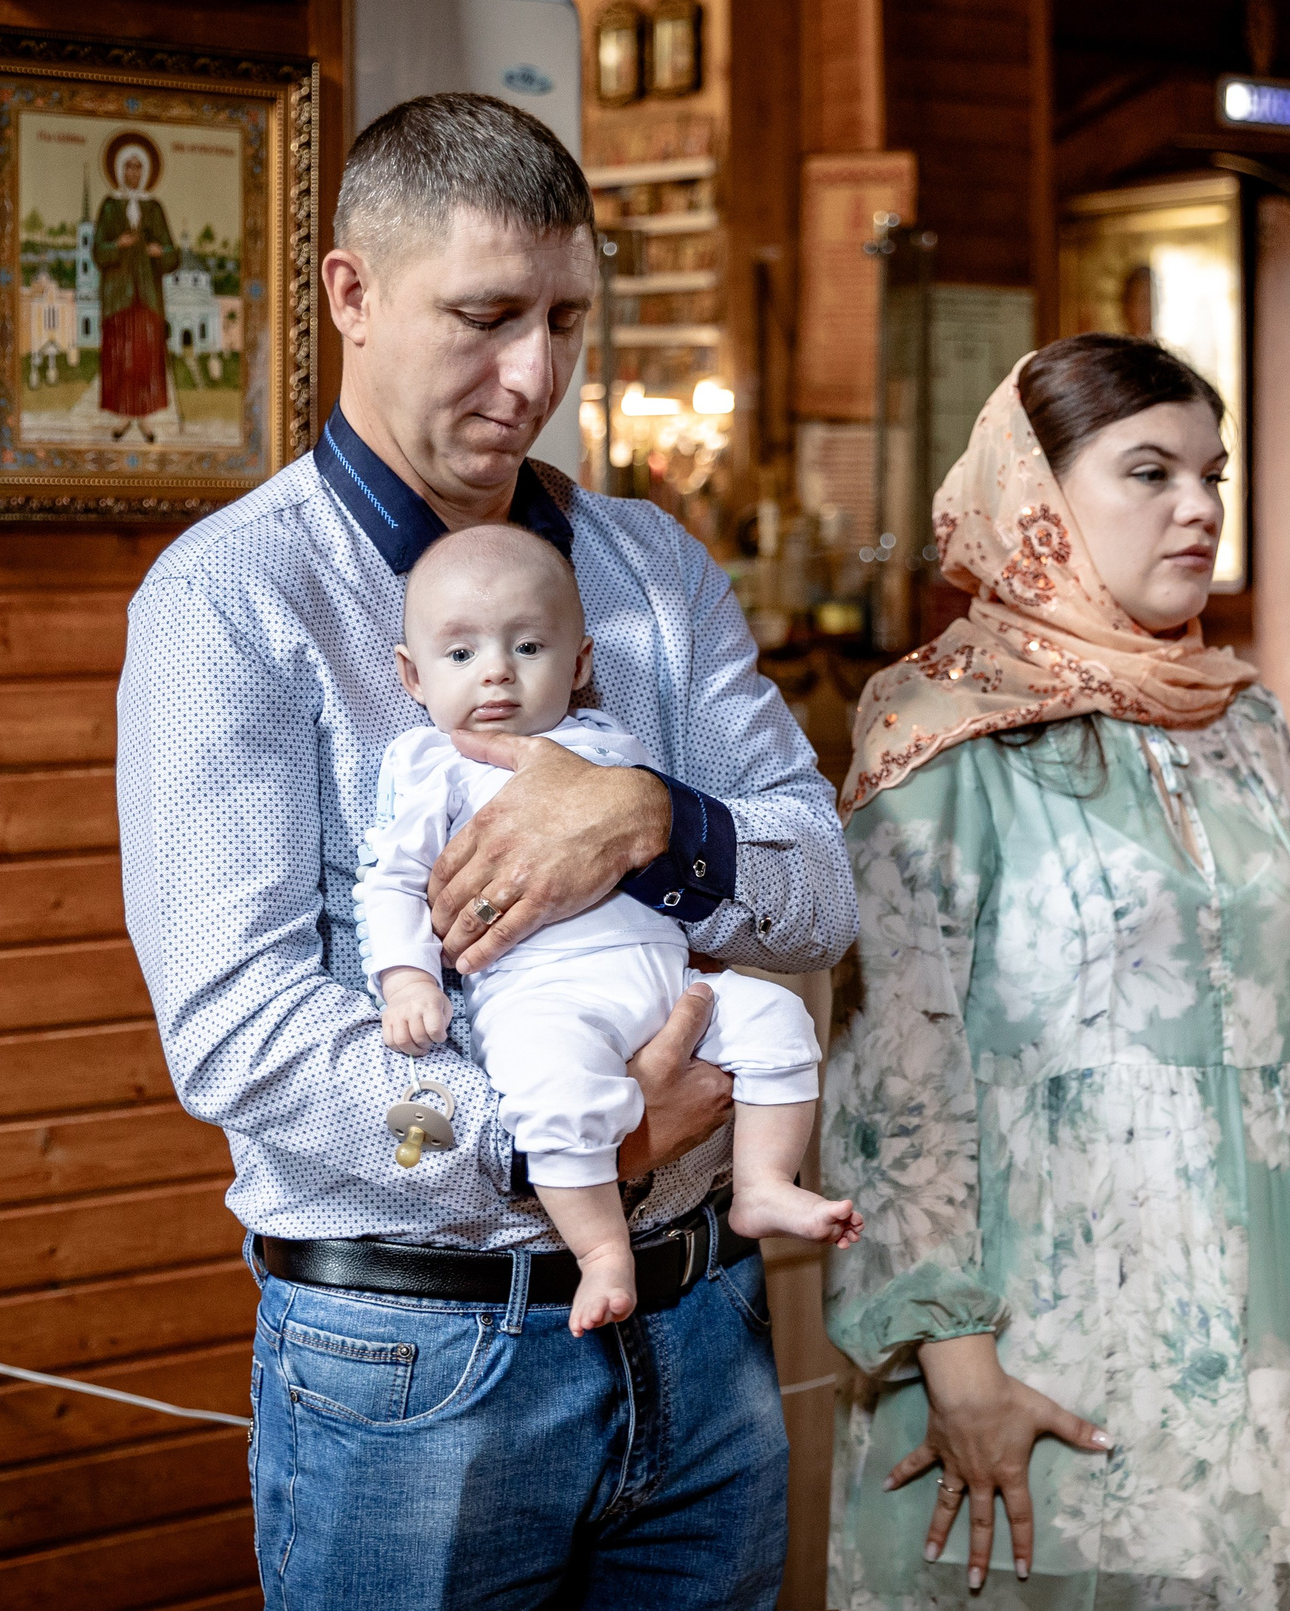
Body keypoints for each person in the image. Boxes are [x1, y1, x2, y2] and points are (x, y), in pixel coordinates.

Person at [115, 92, 856, 1610]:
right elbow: (238, 1035)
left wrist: (656, 817)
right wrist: (558, 1139)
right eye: (486, 316)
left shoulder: (651, 567)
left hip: (703, 1325)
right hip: (419, 1365)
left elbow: (821, 889)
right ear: (351, 294)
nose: (536, 378)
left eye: (567, 321)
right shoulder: (233, 602)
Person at [824, 333, 1290, 1611]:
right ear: (1036, 498)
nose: (1198, 507)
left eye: (1215, 474)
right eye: (1150, 473)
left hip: (1253, 1309)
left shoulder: (1239, 719)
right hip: (1033, 1327)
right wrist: (958, 1365)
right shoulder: (934, 723)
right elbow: (888, 1069)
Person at [355, 522, 860, 1333]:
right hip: (543, 1000)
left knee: (777, 1018)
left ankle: (763, 1181)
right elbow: (393, 880)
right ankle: (601, 1250)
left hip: (668, 990)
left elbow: (789, 880)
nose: (495, 672)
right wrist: (408, 976)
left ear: (581, 661)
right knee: (555, 1096)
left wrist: (651, 811)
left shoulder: (609, 748)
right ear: (412, 675)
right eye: (460, 656)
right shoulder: (432, 767)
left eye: (527, 645)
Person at [94, 132, 180, 442]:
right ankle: (120, 417)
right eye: (128, 167)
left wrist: (160, 252)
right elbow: (98, 253)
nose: (133, 173)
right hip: (118, 297)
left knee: (144, 357)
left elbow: (173, 254)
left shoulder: (154, 208)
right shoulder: (109, 207)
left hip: (148, 297)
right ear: (119, 171)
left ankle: (143, 418)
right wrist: (117, 244)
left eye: (138, 167)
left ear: (144, 172)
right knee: (120, 356)